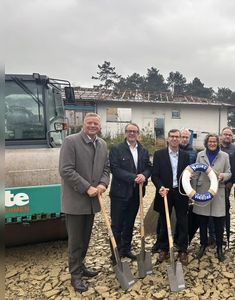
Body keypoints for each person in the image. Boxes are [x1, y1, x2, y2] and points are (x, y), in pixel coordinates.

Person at [59, 113, 110, 292]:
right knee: (75, 241)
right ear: (83, 124)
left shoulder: (102, 144)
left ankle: (81, 266)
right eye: (89, 123)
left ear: (100, 126)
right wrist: (87, 187)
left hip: (92, 202)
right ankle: (75, 276)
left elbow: (106, 167)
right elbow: (65, 169)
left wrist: (103, 184)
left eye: (96, 123)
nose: (93, 126)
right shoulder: (71, 142)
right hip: (75, 201)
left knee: (86, 238)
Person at [108, 123, 152, 263]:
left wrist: (144, 176)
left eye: (134, 131)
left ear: (138, 133)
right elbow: (115, 169)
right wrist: (134, 177)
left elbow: (148, 168)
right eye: (129, 131)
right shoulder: (116, 149)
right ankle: (115, 253)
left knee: (130, 222)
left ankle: (126, 248)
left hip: (136, 193)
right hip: (120, 193)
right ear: (125, 133)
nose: (132, 134)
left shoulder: (144, 150)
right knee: (117, 224)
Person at [151, 129, 191, 265]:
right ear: (168, 139)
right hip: (165, 192)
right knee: (164, 222)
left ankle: (183, 249)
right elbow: (154, 174)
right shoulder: (159, 155)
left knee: (183, 222)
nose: (175, 139)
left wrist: (189, 177)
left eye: (177, 137)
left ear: (181, 139)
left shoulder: (185, 156)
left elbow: (187, 174)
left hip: (180, 193)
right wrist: (160, 187)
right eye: (172, 136)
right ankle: (164, 248)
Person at [192, 134, 232, 261]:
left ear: (218, 143)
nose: (212, 144)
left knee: (218, 221)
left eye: (215, 141)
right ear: (206, 142)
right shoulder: (200, 155)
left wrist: (223, 176)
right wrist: (192, 191)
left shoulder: (225, 156)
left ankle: (219, 246)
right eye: (210, 141)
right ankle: (203, 244)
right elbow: (196, 172)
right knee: (202, 221)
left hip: (217, 191)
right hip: (202, 190)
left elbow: (229, 172)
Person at [214, 127, 235, 245]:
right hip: (213, 183)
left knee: (224, 208)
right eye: (225, 134)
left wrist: (231, 181)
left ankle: (222, 232)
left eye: (230, 135)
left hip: (227, 184)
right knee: (211, 208)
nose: (227, 137)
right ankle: (212, 234)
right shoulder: (214, 146)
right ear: (221, 135)